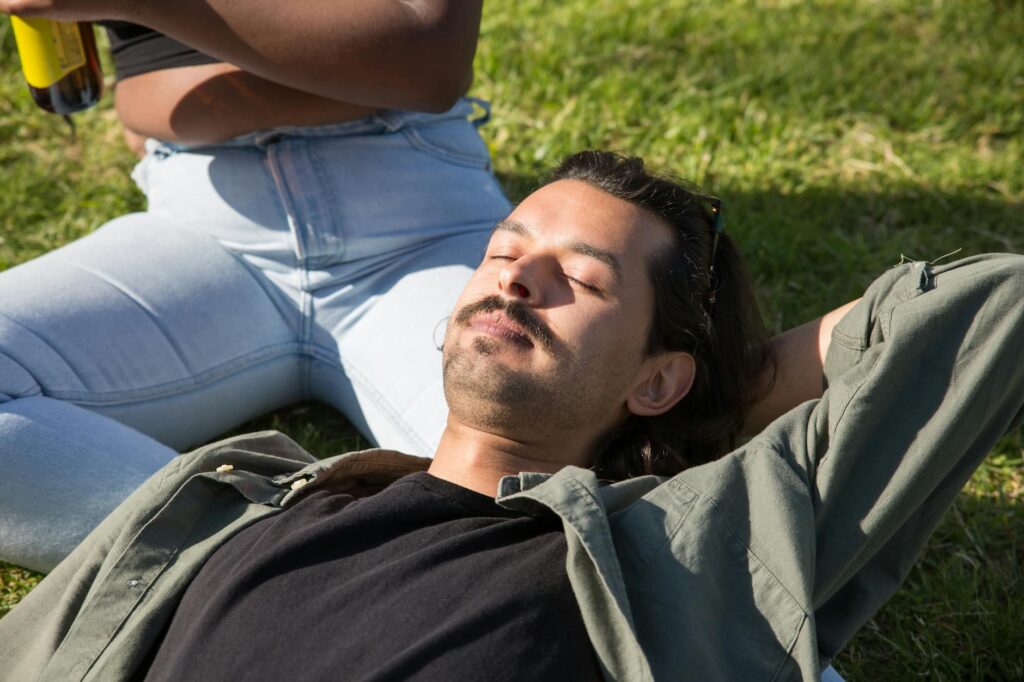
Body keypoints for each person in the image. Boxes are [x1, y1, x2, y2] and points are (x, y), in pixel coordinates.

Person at [2, 152, 1020, 681]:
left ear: (653, 379)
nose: (517, 274)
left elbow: (988, 308)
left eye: (578, 277)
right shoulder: (235, 508)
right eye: (502, 249)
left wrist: (722, 389)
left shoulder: (668, 552)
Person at [0, 0, 510, 572]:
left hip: (416, 219)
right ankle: (280, 573)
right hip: (202, 222)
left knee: (560, 480)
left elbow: (426, 59)